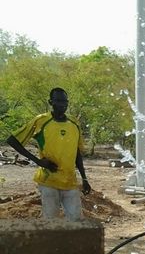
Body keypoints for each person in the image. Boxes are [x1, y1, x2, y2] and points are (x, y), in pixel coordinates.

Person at [5, 88, 91, 220]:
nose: (63, 104)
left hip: (70, 181)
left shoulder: (74, 123)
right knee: (51, 221)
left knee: (77, 220)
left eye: (65, 101)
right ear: (51, 102)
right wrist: (38, 161)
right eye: (58, 100)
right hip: (48, 180)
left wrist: (84, 179)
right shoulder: (41, 121)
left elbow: (77, 153)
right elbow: (13, 140)